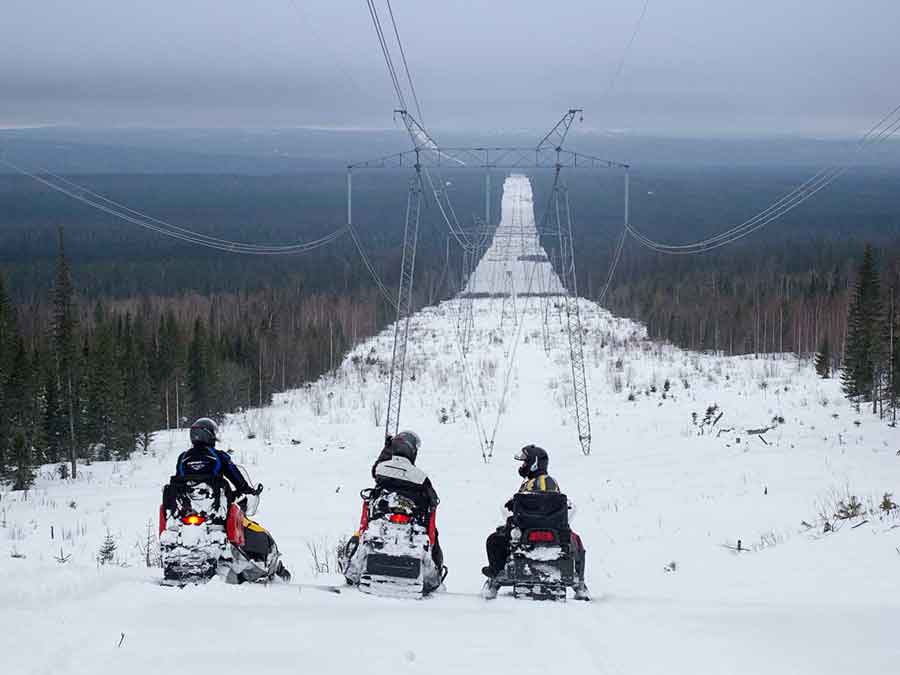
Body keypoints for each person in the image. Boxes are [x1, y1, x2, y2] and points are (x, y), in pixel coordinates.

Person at [345, 431, 445, 586]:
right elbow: (432, 499)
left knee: (362, 534)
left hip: (382, 516)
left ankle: (354, 566)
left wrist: (386, 449)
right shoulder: (420, 476)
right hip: (412, 520)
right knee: (433, 537)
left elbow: (376, 470)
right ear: (412, 451)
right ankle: (435, 571)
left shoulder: (381, 467)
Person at [482, 444, 586, 588]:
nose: (523, 465)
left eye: (526, 462)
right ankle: (580, 583)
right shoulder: (551, 482)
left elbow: (529, 504)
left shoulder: (533, 484)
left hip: (527, 531)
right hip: (553, 531)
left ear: (534, 463)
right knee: (576, 542)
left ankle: (496, 572)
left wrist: (514, 505)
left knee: (494, 540)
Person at [175, 417, 257, 499]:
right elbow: (235, 476)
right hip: (216, 504)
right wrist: (247, 490)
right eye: (213, 433)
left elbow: (178, 479)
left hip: (189, 504)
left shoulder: (183, 457)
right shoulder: (219, 456)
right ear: (208, 435)